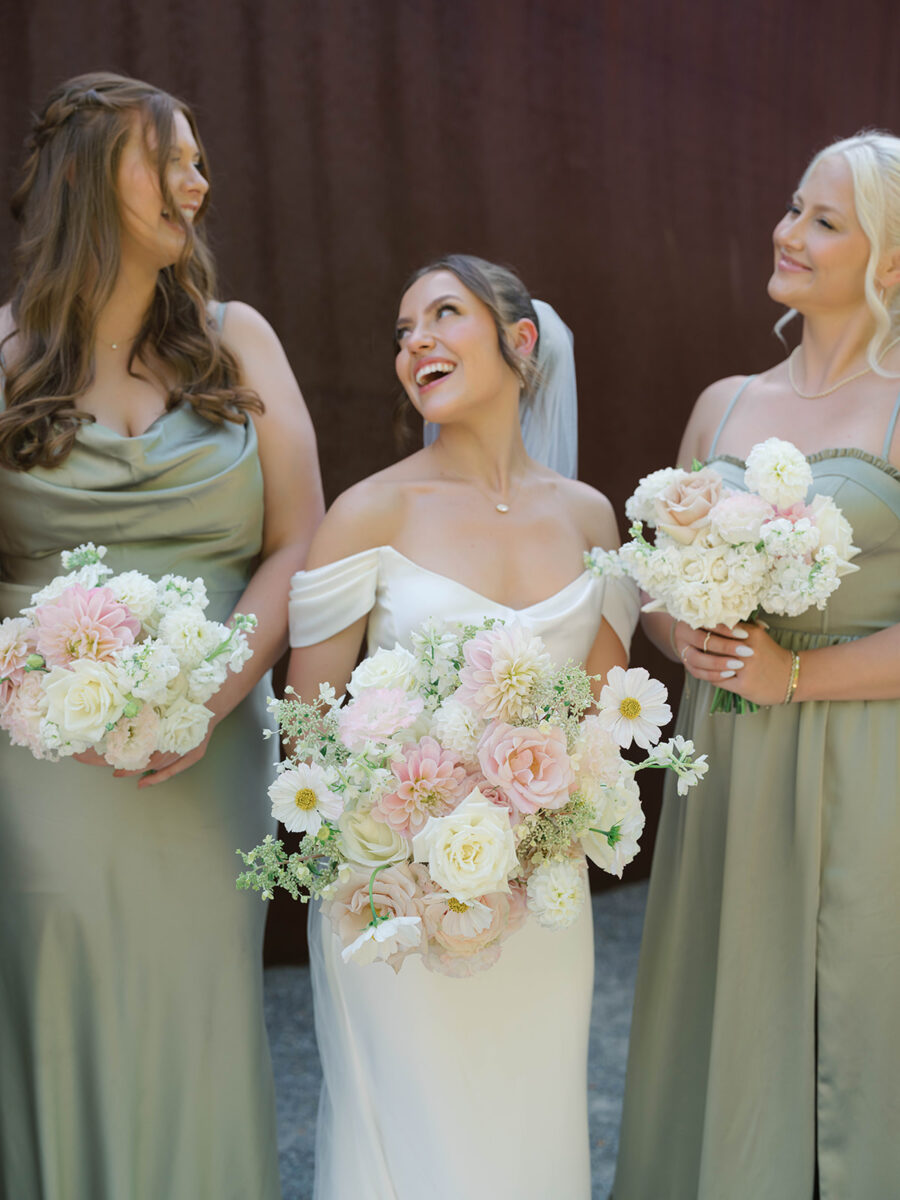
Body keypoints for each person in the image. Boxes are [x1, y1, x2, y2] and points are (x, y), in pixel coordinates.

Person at [0, 72, 324, 1199]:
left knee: (202, 995)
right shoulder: (4, 359)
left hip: (214, 740)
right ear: (96, 177)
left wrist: (224, 683)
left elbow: (299, 539)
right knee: (60, 982)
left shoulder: (239, 343)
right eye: (171, 158)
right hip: (43, 755)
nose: (199, 180)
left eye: (198, 159)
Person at [286, 253, 640, 1199]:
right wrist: (411, 824)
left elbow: (606, 722)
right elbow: (306, 736)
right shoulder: (370, 512)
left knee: (530, 1127)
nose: (417, 343)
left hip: (543, 898)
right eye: (403, 332)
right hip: (397, 898)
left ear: (520, 343)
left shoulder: (590, 518)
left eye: (444, 315)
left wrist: (546, 811)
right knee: (418, 1139)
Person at [613, 132, 900, 1200]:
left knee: (862, 1014)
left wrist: (795, 677)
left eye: (825, 220)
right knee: (729, 1001)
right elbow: (650, 581)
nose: (787, 232)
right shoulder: (724, 404)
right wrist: (677, 631)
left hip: (870, 758)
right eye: (793, 208)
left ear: (894, 259)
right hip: (726, 762)